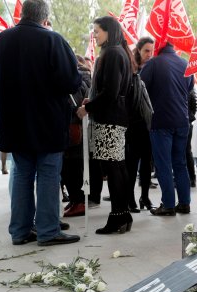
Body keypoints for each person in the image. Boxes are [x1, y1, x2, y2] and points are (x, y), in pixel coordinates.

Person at [0, 0, 81, 245]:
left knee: (22, 175)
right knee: (49, 174)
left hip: (13, 122)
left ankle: (20, 231)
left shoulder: (0, 41)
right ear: (45, 17)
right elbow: (71, 82)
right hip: (47, 123)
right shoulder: (53, 40)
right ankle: (49, 231)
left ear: (23, 14)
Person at [76, 16, 134, 234]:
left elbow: (110, 92)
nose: (95, 35)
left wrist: (88, 108)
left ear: (108, 32)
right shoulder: (119, 52)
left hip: (109, 119)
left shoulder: (111, 53)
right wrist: (92, 101)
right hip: (115, 117)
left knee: (113, 168)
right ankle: (123, 214)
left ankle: (118, 216)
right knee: (117, 166)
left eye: (98, 31)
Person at [140, 42, 195, 216]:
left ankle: (168, 204)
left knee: (163, 164)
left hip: (161, 120)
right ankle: (184, 203)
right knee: (180, 163)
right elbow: (190, 88)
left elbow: (141, 88)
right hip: (182, 120)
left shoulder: (153, 63)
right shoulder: (185, 63)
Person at [126, 37, 156, 212]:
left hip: (147, 124)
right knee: (131, 164)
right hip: (132, 124)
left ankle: (144, 196)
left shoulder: (151, 68)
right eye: (146, 50)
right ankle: (130, 199)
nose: (149, 54)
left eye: (151, 51)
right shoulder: (131, 68)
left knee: (146, 164)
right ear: (138, 50)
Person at [61, 55, 92, 218]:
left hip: (72, 124)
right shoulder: (82, 76)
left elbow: (74, 101)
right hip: (76, 126)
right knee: (71, 166)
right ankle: (75, 200)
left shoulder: (73, 78)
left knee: (69, 167)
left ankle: (78, 201)